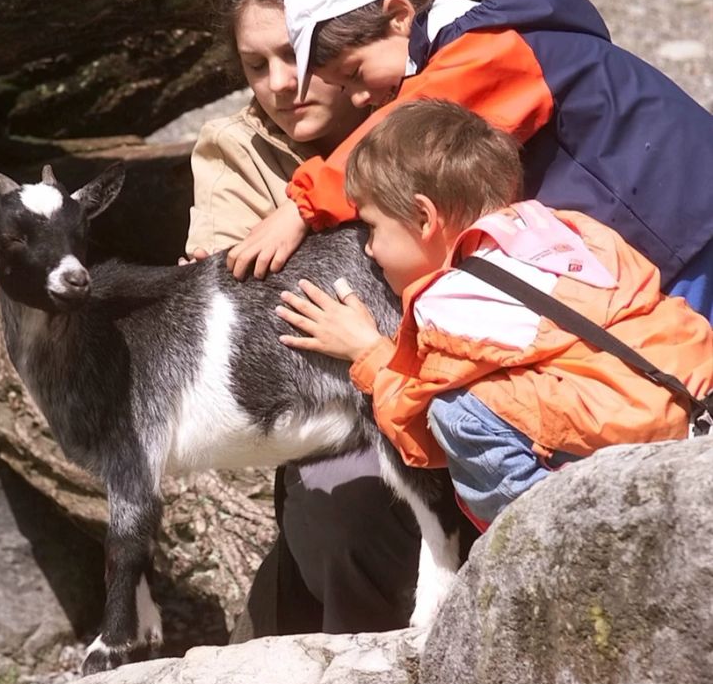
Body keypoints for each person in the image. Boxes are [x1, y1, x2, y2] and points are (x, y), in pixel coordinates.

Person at [226, 0, 713, 325]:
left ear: (399, 16)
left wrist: (301, 207)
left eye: (354, 74)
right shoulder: (476, 42)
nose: (358, 98)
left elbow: (399, 138)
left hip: (683, 226)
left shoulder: (490, 49)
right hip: (670, 224)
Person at [275, 97, 713, 528]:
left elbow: (417, 430)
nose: (369, 250)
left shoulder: (451, 304)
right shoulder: (568, 229)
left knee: (455, 411)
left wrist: (367, 351)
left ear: (425, 218)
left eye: (372, 227)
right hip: (693, 392)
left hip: (635, 438)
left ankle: (539, 532)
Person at [185, 0, 424, 638]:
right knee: (338, 522)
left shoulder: (421, 101)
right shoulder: (233, 149)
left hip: (453, 372)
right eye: (255, 65)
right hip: (332, 407)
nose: (280, 84)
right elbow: (224, 285)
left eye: (296, 53)